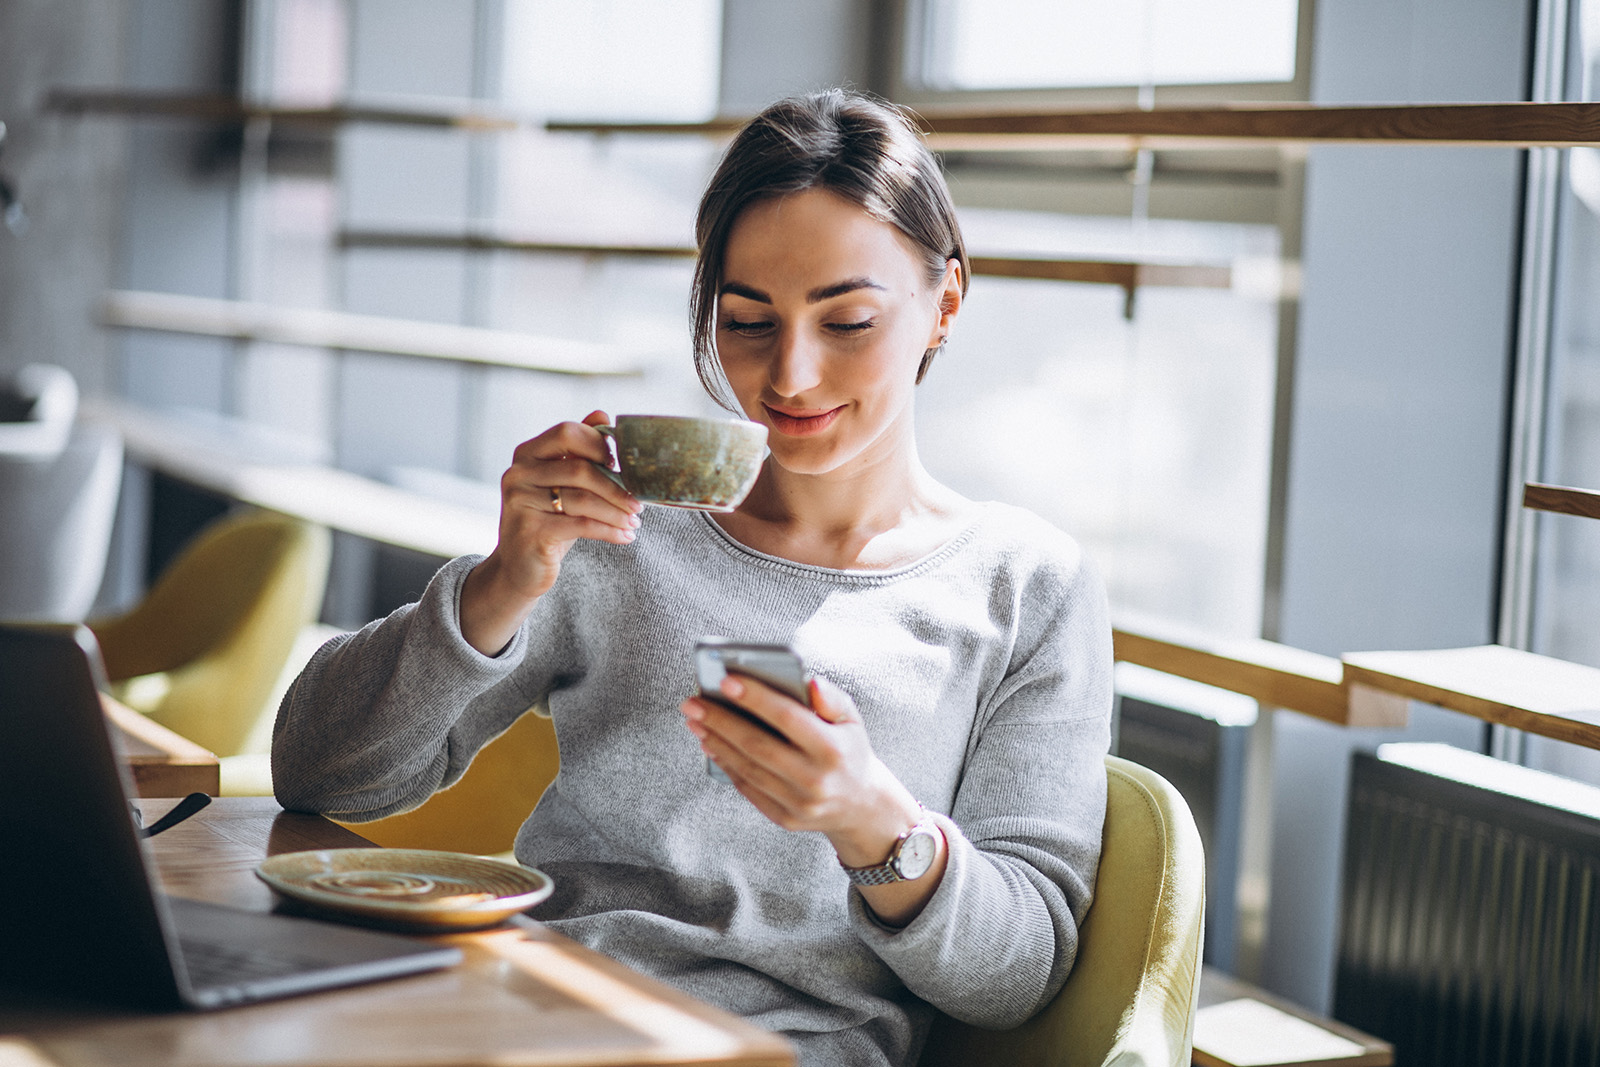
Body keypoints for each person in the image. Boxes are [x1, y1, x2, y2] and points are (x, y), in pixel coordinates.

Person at [273, 89, 1113, 1067]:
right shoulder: (620, 530)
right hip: (523, 1015)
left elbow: (1021, 975)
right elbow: (318, 770)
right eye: (747, 320)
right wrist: (502, 582)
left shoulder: (1024, 586)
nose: (789, 375)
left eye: (846, 320)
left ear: (945, 303)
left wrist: (873, 824)